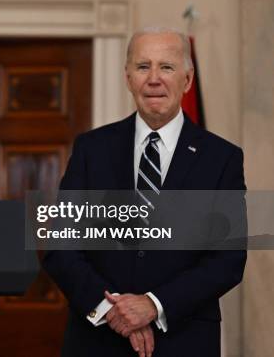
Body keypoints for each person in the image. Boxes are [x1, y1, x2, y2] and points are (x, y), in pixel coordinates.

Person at [43, 27, 246, 357]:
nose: (154, 79)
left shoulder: (221, 158)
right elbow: (60, 247)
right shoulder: (91, 150)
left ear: (188, 79)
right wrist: (113, 312)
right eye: (142, 67)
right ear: (127, 77)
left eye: (166, 67)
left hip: (184, 340)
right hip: (97, 342)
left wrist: (153, 306)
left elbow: (227, 260)